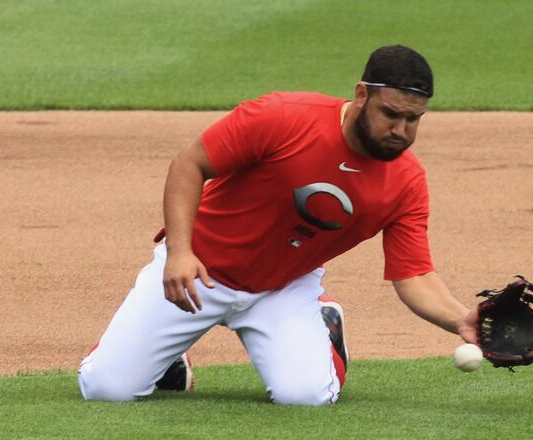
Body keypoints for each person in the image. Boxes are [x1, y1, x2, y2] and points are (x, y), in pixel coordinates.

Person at [78, 44, 479, 405]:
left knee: (306, 398)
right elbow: (190, 163)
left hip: (281, 289)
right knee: (104, 389)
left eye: (413, 119)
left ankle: (326, 327)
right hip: (197, 272)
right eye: (390, 114)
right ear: (361, 95)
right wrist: (179, 252)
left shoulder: (406, 181)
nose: (400, 131)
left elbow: (414, 274)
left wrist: (459, 319)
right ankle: (168, 362)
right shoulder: (285, 118)